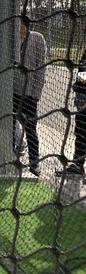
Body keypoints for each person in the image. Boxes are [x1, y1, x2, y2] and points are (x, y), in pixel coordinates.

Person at [13, 21, 47, 176]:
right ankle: (10, 156)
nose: (19, 27)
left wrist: (36, 93)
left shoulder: (37, 38)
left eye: (21, 24)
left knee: (30, 128)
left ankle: (34, 162)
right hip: (12, 91)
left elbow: (41, 67)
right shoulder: (11, 39)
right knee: (10, 125)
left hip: (28, 93)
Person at [56, 47, 86, 180]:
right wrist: (78, 84)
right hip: (82, 100)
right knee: (80, 133)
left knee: (82, 133)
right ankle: (77, 166)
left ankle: (78, 165)